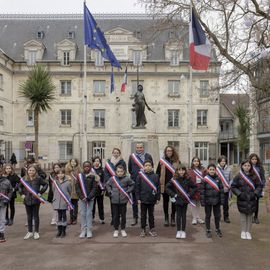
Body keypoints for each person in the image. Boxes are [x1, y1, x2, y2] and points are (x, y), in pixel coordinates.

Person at [231, 160, 262, 240]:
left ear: (251, 166)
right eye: (245, 165)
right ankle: (243, 231)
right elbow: (233, 187)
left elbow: (259, 186)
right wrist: (240, 194)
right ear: (242, 166)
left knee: (250, 217)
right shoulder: (238, 176)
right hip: (242, 199)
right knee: (243, 217)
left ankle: (248, 231)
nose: (247, 167)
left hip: (252, 199)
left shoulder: (254, 176)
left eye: (248, 165)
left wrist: (255, 194)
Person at [165, 164, 197, 239]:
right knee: (178, 216)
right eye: (179, 170)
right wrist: (174, 195)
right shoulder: (174, 179)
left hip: (185, 200)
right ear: (177, 171)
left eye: (183, 170)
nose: (181, 172)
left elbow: (195, 187)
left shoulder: (188, 178)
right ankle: (178, 231)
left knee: (184, 216)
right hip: (178, 200)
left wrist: (189, 194)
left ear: (185, 171)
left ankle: (183, 231)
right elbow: (167, 188)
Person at [19, 165, 48, 240]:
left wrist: (41, 192)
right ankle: (29, 231)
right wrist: (21, 194)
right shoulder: (24, 179)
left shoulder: (38, 179)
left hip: (36, 200)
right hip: (27, 200)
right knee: (29, 216)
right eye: (30, 170)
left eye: (33, 170)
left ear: (35, 171)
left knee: (36, 216)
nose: (31, 172)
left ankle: (36, 232)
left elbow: (45, 184)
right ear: (27, 171)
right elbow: (19, 187)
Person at [128, 142, 153, 226]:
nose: (139, 149)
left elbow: (151, 167)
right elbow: (130, 169)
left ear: (143, 148)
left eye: (141, 147)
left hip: (146, 182)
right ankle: (135, 218)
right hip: (135, 182)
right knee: (135, 201)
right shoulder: (132, 157)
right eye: (138, 147)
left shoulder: (148, 156)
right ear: (136, 148)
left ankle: (144, 219)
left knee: (144, 202)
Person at [106, 164, 134, 238]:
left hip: (123, 200)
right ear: (116, 172)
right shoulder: (112, 179)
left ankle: (123, 229)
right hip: (114, 200)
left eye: (121, 171)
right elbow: (107, 185)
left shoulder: (127, 179)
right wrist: (110, 192)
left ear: (124, 172)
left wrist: (128, 191)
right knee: (115, 216)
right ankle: (116, 229)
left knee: (123, 215)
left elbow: (132, 184)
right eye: (118, 171)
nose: (120, 173)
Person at [156, 145, 180, 226]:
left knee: (174, 202)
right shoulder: (162, 161)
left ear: (173, 151)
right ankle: (166, 218)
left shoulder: (177, 161)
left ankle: (173, 217)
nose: (169, 152)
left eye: (170, 150)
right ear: (165, 152)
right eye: (167, 151)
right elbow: (157, 173)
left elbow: (180, 172)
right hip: (165, 185)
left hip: (174, 185)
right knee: (165, 202)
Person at [136, 160, 160, 237]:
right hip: (143, 199)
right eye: (146, 165)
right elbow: (137, 188)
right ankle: (143, 229)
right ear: (143, 167)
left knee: (151, 215)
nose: (148, 167)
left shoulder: (156, 176)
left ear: (152, 166)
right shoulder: (140, 176)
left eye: (149, 165)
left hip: (152, 199)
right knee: (143, 215)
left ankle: (152, 228)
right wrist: (138, 198)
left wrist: (158, 198)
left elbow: (158, 188)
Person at [200, 164, 224, 238]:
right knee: (208, 216)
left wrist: (222, 201)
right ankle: (208, 229)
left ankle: (217, 229)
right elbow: (202, 191)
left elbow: (221, 191)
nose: (212, 171)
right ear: (208, 170)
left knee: (217, 216)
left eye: (213, 169)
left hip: (217, 201)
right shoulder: (205, 179)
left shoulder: (218, 179)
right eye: (210, 169)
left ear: (215, 170)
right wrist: (203, 201)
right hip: (208, 201)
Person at [104, 148, 127, 225]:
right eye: (114, 153)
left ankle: (120, 218)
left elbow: (124, 172)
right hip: (112, 186)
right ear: (112, 153)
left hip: (120, 185)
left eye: (117, 153)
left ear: (119, 154)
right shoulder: (108, 162)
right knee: (112, 204)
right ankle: (114, 218)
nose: (116, 154)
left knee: (121, 204)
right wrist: (109, 182)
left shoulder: (122, 162)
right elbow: (106, 173)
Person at [76, 161, 98, 239]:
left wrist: (89, 197)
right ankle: (83, 230)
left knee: (89, 214)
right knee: (82, 213)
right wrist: (82, 197)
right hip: (82, 199)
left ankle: (89, 230)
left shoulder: (93, 176)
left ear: (90, 167)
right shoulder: (79, 176)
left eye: (88, 166)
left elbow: (95, 188)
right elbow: (77, 188)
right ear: (83, 167)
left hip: (90, 198)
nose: (86, 168)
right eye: (85, 166)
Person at [52, 168, 72, 238]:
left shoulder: (68, 182)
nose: (60, 175)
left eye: (62, 173)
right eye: (59, 173)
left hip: (64, 202)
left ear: (64, 174)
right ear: (57, 174)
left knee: (64, 216)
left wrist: (68, 200)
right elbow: (53, 190)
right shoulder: (55, 182)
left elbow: (70, 191)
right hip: (57, 202)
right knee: (59, 216)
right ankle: (59, 230)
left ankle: (64, 231)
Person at [248, 153, 266, 224]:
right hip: (250, 187)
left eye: (255, 159)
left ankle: (256, 217)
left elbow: (263, 177)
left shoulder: (260, 167)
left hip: (258, 188)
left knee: (256, 202)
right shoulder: (248, 166)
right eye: (253, 159)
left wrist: (262, 185)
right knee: (250, 202)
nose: (254, 160)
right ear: (250, 159)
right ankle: (250, 216)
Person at [188, 157, 205, 225]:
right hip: (193, 189)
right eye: (194, 161)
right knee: (193, 204)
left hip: (200, 189)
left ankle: (198, 217)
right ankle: (194, 218)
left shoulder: (203, 170)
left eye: (197, 161)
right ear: (192, 162)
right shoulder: (189, 170)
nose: (196, 162)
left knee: (198, 204)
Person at [65, 158, 81, 225]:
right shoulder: (67, 170)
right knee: (70, 205)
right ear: (70, 162)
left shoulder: (79, 170)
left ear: (76, 163)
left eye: (75, 162)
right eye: (72, 161)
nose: (73, 163)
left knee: (75, 205)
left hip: (76, 190)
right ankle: (71, 219)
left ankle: (75, 219)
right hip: (69, 190)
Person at [216, 156, 232, 223]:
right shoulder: (216, 169)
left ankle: (226, 217)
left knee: (226, 205)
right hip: (218, 190)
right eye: (222, 161)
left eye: (224, 161)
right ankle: (218, 217)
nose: (223, 162)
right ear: (219, 162)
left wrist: (229, 186)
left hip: (226, 190)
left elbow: (231, 179)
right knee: (218, 204)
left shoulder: (229, 169)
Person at [0, 167, 13, 243]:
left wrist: (7, 198)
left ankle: (1, 233)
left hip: (2, 202)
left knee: (2, 219)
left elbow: (10, 191)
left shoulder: (6, 181)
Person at [92, 156, 105, 224]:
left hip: (100, 190)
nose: (96, 162)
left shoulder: (102, 170)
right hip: (92, 191)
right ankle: (92, 218)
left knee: (100, 205)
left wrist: (103, 189)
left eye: (98, 161)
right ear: (93, 162)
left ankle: (102, 218)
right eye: (95, 161)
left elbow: (103, 180)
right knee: (92, 205)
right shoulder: (91, 170)